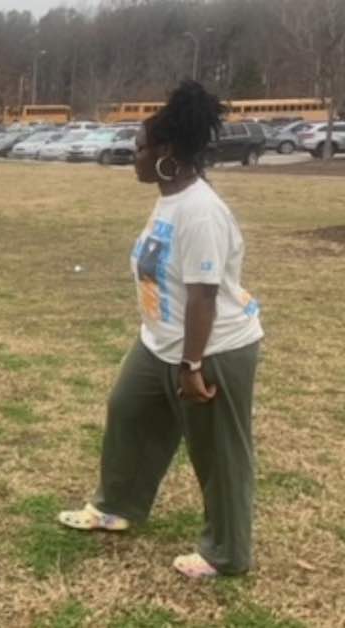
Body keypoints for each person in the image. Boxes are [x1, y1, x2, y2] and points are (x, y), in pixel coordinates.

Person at [56, 81, 264, 579]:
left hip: (210, 349)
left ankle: (227, 553)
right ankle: (117, 506)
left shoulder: (200, 210)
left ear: (167, 152)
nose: (133, 156)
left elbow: (203, 295)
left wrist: (192, 366)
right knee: (127, 410)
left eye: (140, 148)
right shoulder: (170, 198)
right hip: (159, 344)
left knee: (219, 453)